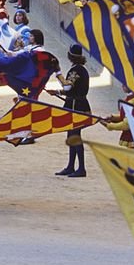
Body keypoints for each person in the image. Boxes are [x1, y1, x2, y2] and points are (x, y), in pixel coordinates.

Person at [54, 45, 90, 178]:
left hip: (75, 106)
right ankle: (71, 166)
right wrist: (57, 92)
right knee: (71, 135)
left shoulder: (75, 70)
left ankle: (80, 168)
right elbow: (73, 90)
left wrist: (58, 74)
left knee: (74, 135)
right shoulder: (83, 70)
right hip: (79, 104)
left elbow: (68, 87)